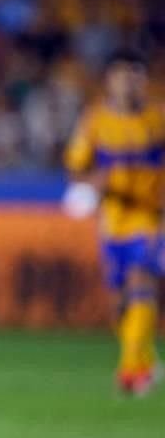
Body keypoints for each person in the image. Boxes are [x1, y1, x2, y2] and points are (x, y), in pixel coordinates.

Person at [65, 47, 165, 396]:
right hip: (112, 221)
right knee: (121, 301)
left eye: (135, 75)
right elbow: (77, 171)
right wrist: (97, 182)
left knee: (142, 282)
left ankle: (130, 373)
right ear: (110, 81)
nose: (128, 82)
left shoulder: (158, 118)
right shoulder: (96, 121)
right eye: (122, 75)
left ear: (143, 80)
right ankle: (146, 360)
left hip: (150, 218)